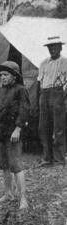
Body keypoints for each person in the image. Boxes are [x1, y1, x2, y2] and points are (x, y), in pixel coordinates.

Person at [0, 61, 29, 209]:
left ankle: (23, 198)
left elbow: (24, 111)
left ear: (15, 77)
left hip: (13, 133)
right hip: (0, 132)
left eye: (6, 75)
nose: (3, 78)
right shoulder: (1, 91)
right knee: (4, 165)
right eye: (1, 75)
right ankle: (8, 193)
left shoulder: (21, 90)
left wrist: (18, 129)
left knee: (15, 165)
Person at [37, 36, 67, 167]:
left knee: (58, 128)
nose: (52, 49)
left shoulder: (65, 62)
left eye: (55, 47)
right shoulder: (43, 63)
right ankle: (46, 158)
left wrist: (63, 97)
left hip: (58, 93)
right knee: (43, 128)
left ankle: (59, 159)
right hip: (44, 94)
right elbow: (39, 82)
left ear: (60, 47)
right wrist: (38, 100)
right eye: (50, 47)